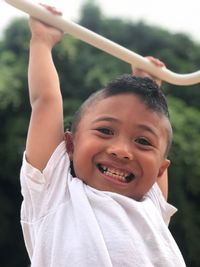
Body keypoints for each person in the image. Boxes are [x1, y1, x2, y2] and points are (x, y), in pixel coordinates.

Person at [20, 5, 186, 267]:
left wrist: (148, 87)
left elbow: (153, 129)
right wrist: (42, 40)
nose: (121, 150)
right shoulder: (57, 193)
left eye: (142, 141)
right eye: (105, 131)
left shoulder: (151, 204)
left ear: (159, 173)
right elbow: (45, 101)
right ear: (70, 145)